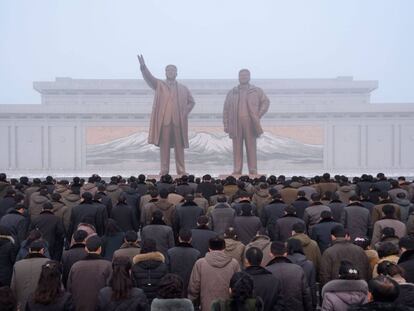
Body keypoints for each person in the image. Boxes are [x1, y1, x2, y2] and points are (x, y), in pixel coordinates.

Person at [137, 54, 195, 175]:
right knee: (164, 148)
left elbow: (191, 102)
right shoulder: (159, 85)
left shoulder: (183, 88)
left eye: (173, 70)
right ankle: (164, 170)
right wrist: (143, 67)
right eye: (168, 70)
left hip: (178, 122)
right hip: (164, 121)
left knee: (179, 147)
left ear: (176, 73)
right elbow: (149, 78)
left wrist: (184, 113)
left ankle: (181, 169)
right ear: (165, 73)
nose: (170, 72)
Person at [223, 69, 270, 175]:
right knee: (237, 148)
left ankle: (253, 169)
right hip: (235, 123)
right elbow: (226, 109)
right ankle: (237, 169)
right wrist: (226, 124)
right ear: (238, 77)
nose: (243, 77)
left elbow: (265, 102)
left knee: (251, 147)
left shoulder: (256, 91)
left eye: (245, 75)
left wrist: (258, 115)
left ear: (249, 77)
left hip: (250, 122)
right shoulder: (232, 92)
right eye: (241, 75)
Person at [188, 236, 240, 311]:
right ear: (224, 248)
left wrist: (193, 303)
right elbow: (239, 286)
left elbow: (194, 288)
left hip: (207, 306)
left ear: (209, 248)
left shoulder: (200, 263)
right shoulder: (234, 264)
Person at [67, 235, 113, 311]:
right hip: (101, 307)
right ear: (100, 249)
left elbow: (69, 288)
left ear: (86, 249)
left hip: (79, 307)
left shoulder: (75, 266)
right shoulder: (107, 265)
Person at [266, 241, 312, 311]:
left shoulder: (266, 272)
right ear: (285, 254)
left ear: (271, 254)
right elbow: (306, 295)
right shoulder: (297, 269)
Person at [10, 240, 49, 310]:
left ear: (29, 250)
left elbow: (13, 288)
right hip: (43, 305)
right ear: (42, 250)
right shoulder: (48, 264)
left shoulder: (18, 265)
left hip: (22, 305)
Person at [244, 247, 284, 311]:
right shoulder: (274, 280)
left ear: (246, 260)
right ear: (262, 261)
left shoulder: (239, 279)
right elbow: (280, 305)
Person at [132, 238, 168, 303]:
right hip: (158, 301)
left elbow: (134, 285)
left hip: (140, 300)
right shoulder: (163, 266)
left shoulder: (135, 267)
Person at [167, 229, 200, 296]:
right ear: (190, 239)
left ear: (179, 238)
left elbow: (167, 271)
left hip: (173, 288)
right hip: (190, 288)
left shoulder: (170, 252)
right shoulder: (196, 253)